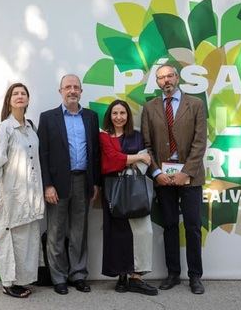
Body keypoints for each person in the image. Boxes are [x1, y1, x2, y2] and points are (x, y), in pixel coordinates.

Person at [141, 64, 207, 294]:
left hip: (191, 177)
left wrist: (186, 172)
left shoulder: (196, 105)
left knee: (192, 227)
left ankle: (195, 276)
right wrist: (157, 173)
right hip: (164, 179)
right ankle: (172, 274)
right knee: (169, 226)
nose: (166, 80)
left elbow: (200, 143)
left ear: (177, 78)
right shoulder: (150, 108)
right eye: (161, 78)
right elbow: (146, 145)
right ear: (157, 82)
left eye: (169, 76)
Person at [37, 74, 100, 295]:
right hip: (57, 183)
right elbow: (42, 154)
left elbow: (95, 152)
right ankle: (59, 278)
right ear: (60, 91)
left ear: (81, 91)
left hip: (83, 180)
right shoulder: (48, 118)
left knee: (79, 231)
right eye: (68, 87)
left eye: (76, 87)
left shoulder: (91, 117)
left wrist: (95, 183)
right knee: (55, 231)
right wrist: (47, 185)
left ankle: (78, 275)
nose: (72, 90)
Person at [0, 83, 44, 298]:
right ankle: (8, 283)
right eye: (15, 94)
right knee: (8, 238)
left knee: (25, 239)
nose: (19, 96)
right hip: (7, 195)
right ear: (9, 100)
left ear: (28, 99)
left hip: (28, 195)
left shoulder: (31, 128)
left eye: (23, 93)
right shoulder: (5, 129)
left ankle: (21, 280)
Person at [99, 99, 158, 295]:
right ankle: (122, 276)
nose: (118, 117)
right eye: (114, 113)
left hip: (135, 190)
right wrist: (135, 158)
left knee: (143, 232)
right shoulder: (104, 136)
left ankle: (137, 277)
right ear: (110, 116)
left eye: (122, 113)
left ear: (128, 116)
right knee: (118, 235)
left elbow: (146, 161)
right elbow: (109, 162)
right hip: (113, 190)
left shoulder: (137, 136)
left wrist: (132, 160)